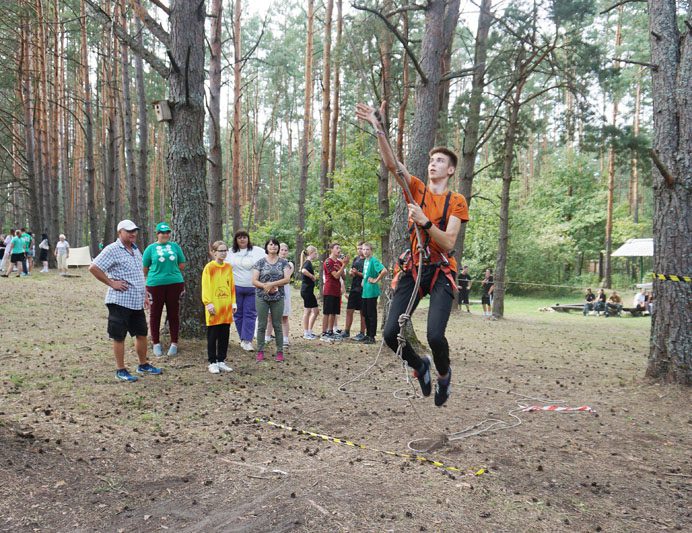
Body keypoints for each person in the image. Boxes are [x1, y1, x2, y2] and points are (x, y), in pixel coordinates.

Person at [356, 101, 469, 407]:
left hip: (441, 271)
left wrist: (425, 222)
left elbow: (447, 243)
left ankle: (444, 375)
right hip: (415, 269)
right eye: (431, 160)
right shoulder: (416, 188)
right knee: (391, 334)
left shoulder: (456, 201)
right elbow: (393, 165)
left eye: (440, 161)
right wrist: (378, 127)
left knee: (435, 335)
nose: (433, 164)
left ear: (451, 169)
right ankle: (420, 366)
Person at [88, 219, 162, 382]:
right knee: (119, 336)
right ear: (119, 232)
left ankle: (143, 365)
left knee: (141, 333)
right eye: (129, 231)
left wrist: (145, 296)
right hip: (119, 301)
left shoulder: (135, 250)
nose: (133, 234)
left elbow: (138, 275)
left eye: (134, 230)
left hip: (136, 301)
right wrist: (111, 282)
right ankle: (120, 370)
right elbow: (94, 267)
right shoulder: (112, 249)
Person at [142, 222, 187, 357]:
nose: (165, 235)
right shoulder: (150, 249)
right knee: (155, 314)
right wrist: (159, 274)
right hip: (155, 285)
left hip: (175, 283)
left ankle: (174, 343)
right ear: (157, 234)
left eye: (167, 232)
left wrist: (170, 273)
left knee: (174, 314)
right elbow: (145, 268)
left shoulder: (175, 246)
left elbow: (182, 264)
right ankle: (156, 343)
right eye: (162, 232)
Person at [252, 238, 291, 363]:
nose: (273, 246)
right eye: (270, 244)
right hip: (262, 297)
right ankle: (260, 351)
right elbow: (254, 280)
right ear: (267, 247)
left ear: (278, 248)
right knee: (262, 325)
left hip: (278, 297)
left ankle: (279, 351)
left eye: (275, 245)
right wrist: (265, 286)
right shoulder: (260, 263)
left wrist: (273, 284)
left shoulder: (284, 263)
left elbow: (286, 279)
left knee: (277, 324)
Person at [226, 230, 266, 351]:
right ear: (236, 240)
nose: (242, 240)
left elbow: (269, 259)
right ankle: (242, 338)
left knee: (250, 313)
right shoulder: (230, 252)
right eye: (239, 238)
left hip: (252, 287)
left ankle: (247, 340)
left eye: (244, 237)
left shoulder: (257, 251)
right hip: (235, 287)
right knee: (237, 314)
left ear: (248, 239)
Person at [202, 240, 236, 374]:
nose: (223, 253)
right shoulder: (209, 268)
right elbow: (205, 286)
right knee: (213, 334)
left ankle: (221, 360)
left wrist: (233, 302)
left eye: (225, 250)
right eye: (220, 251)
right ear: (214, 252)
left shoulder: (228, 267)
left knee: (224, 334)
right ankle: (212, 361)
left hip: (225, 306)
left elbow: (231, 286)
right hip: (214, 306)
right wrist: (208, 303)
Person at [358, 242, 387, 344]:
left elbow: (384, 270)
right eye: (363, 249)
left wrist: (376, 280)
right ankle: (367, 334)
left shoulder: (374, 260)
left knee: (371, 314)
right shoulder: (365, 260)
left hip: (372, 291)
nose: (365, 251)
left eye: (367, 249)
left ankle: (372, 336)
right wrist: (363, 280)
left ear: (371, 250)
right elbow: (366, 274)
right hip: (365, 291)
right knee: (365, 313)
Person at [266, 243, 294, 347]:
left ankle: (285, 339)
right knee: (270, 316)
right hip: (271, 291)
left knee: (284, 317)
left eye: (286, 250)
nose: (283, 252)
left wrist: (274, 282)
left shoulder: (289, 264)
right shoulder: (271, 262)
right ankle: (267, 337)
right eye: (282, 250)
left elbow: (286, 278)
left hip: (283, 292)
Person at [321, 243, 349, 342]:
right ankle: (324, 332)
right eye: (337, 248)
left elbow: (344, 277)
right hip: (329, 290)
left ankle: (330, 331)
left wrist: (342, 267)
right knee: (327, 312)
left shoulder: (339, 262)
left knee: (334, 312)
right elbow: (336, 276)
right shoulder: (328, 262)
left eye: (340, 247)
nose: (339, 249)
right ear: (331, 250)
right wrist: (344, 265)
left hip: (337, 291)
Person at [340, 243, 366, 340]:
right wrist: (351, 273)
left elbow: (367, 275)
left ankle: (362, 333)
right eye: (358, 248)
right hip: (354, 289)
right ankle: (346, 331)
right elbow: (352, 273)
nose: (360, 250)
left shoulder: (368, 261)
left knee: (362, 312)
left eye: (361, 248)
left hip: (363, 289)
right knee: (349, 310)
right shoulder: (356, 259)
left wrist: (357, 273)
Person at [300, 245, 320, 339]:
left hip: (308, 291)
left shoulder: (308, 262)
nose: (316, 255)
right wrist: (312, 276)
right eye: (315, 253)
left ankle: (309, 331)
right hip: (306, 290)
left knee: (315, 311)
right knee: (308, 311)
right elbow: (303, 270)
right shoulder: (307, 262)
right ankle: (306, 333)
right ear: (311, 253)